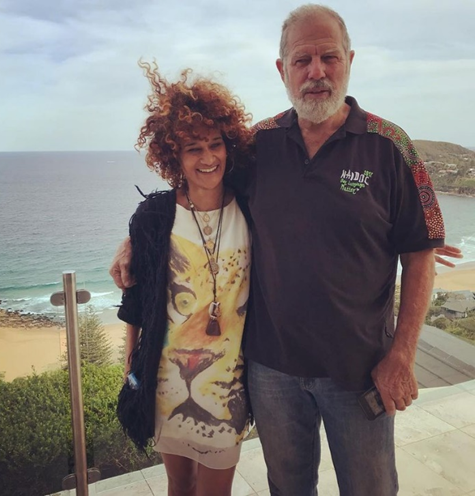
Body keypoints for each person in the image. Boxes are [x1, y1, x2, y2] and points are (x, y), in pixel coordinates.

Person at [110, 6, 464, 495]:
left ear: (349, 61)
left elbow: (419, 254)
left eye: (328, 57)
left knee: (371, 488)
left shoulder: (390, 146)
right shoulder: (257, 146)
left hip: (360, 370)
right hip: (271, 371)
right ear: (283, 70)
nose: (316, 71)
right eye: (302, 60)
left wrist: (402, 356)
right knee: (288, 489)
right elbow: (197, 192)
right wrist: (136, 240)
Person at [116, 61, 253, 496]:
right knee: (178, 484)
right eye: (194, 148)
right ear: (173, 155)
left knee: (216, 490)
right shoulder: (154, 216)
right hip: (166, 381)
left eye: (215, 144)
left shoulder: (252, 208)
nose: (208, 158)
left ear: (229, 146)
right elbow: (136, 301)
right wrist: (130, 365)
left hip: (227, 382)